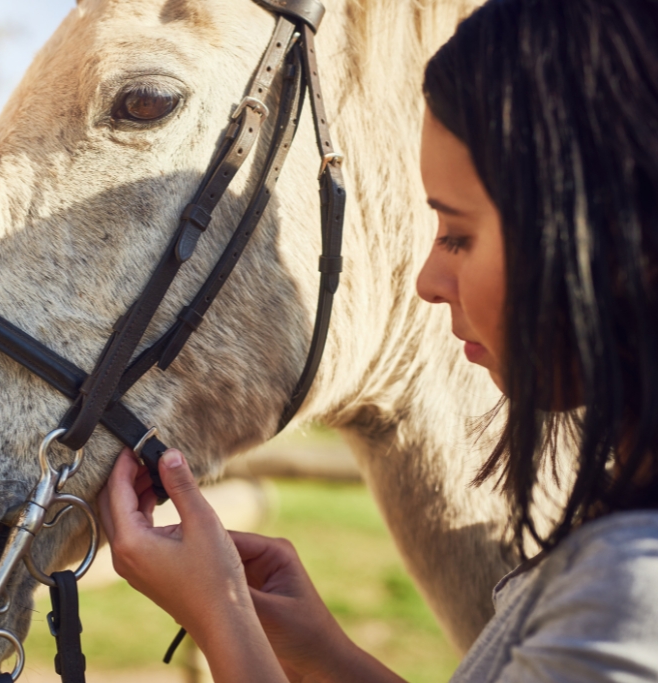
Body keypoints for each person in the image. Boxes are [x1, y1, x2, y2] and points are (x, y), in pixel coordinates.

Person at [97, 0, 658, 680]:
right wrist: (323, 652)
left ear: (616, 237)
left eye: (458, 234)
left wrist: (220, 615)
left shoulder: (630, 589)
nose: (427, 279)